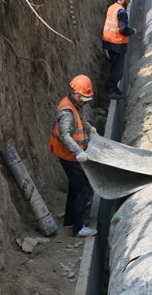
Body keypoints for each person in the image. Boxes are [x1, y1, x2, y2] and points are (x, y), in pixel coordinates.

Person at [48, 75, 98, 237]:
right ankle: (78, 227)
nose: (84, 101)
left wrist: (90, 128)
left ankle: (69, 221)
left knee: (74, 188)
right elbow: (65, 135)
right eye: (83, 98)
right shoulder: (67, 112)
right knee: (82, 189)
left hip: (72, 156)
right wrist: (78, 152)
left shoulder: (75, 104)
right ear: (75, 93)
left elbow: (82, 120)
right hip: (70, 157)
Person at [102, 0, 138, 99]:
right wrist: (132, 31)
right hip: (116, 45)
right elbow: (123, 29)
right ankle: (110, 91)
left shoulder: (112, 7)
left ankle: (114, 88)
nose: (129, 1)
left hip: (108, 43)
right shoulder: (121, 12)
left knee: (114, 68)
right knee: (117, 70)